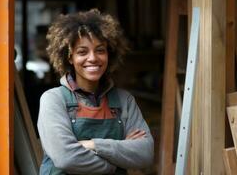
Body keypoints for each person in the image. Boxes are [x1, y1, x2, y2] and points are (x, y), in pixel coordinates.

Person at [37, 9, 154, 175]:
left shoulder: (124, 100)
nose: (92, 58)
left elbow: (145, 153)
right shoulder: (53, 100)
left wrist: (93, 145)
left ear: (109, 54)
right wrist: (117, 162)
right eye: (82, 52)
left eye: (100, 50)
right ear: (69, 57)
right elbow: (65, 158)